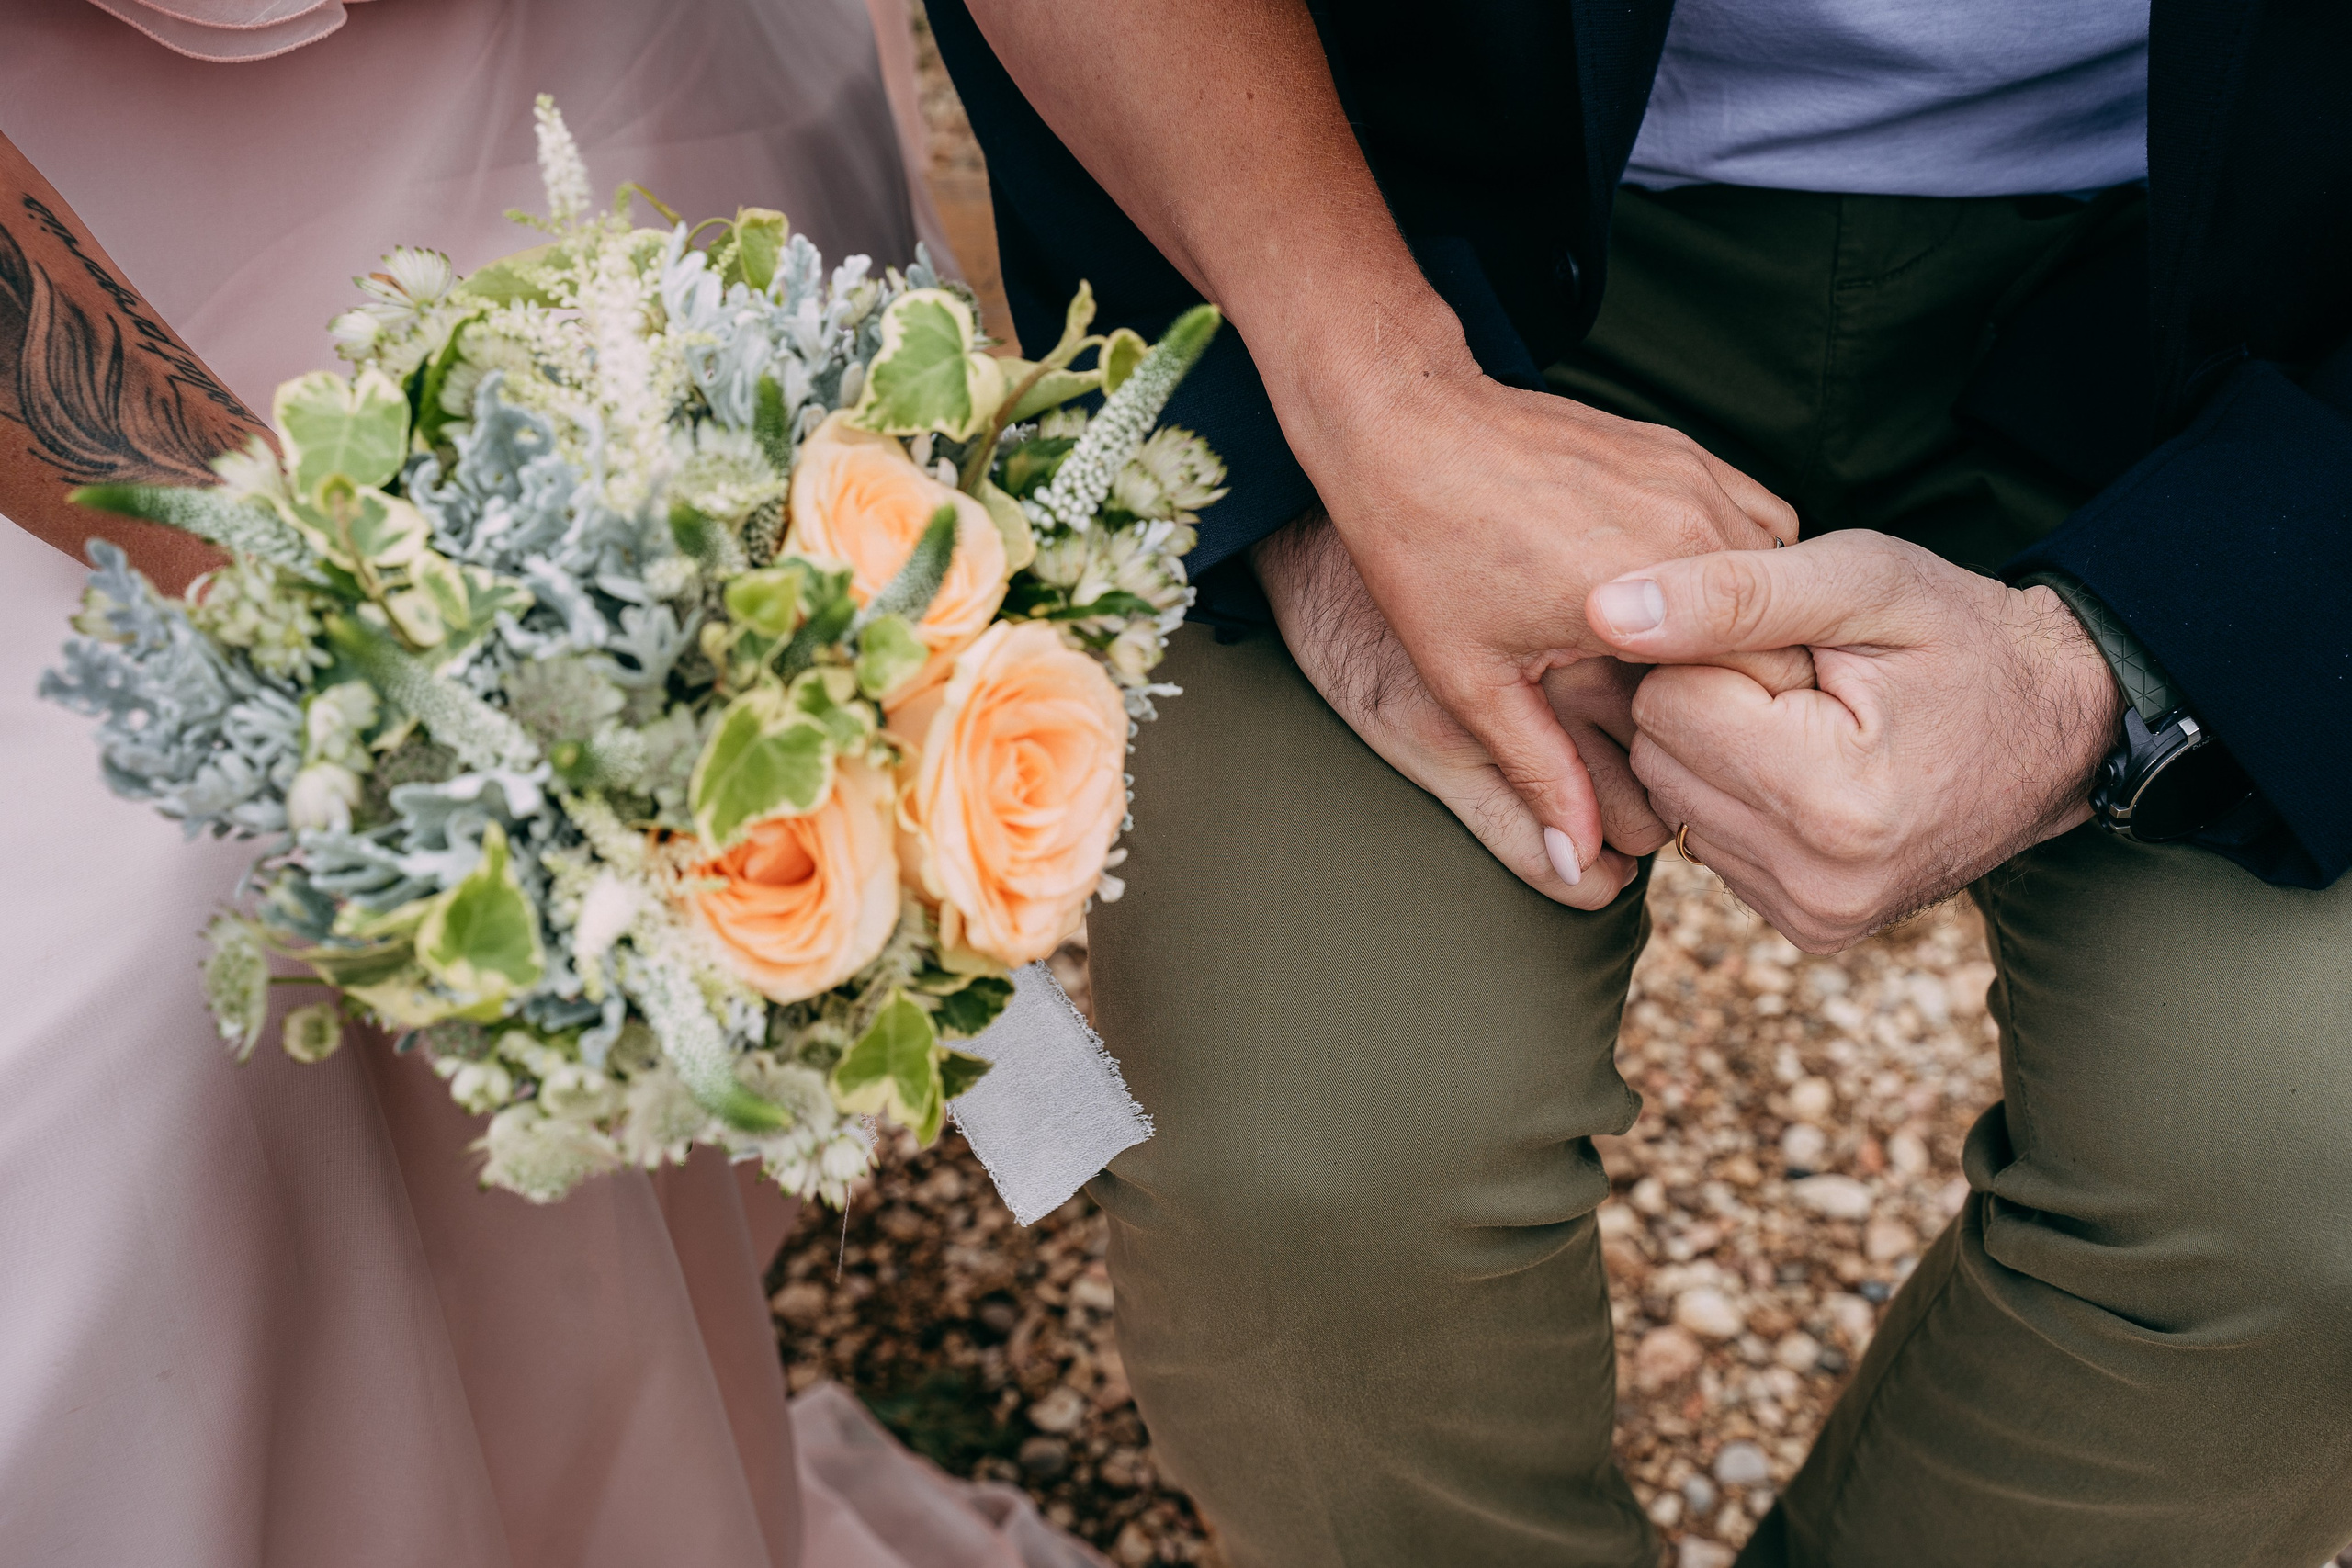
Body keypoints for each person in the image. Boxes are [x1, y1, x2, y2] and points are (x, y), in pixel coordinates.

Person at [924, 1, 2352, 1564]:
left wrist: (2121, 676)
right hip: (1395, 194)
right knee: (1307, 1183)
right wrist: (1360, 413)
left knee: (2303, 1187)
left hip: (2269, 285)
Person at [0, 4, 1104, 1565]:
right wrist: (336, 603)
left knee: (663, 731)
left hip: (592, 99)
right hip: (71, 220)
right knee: (128, 988)